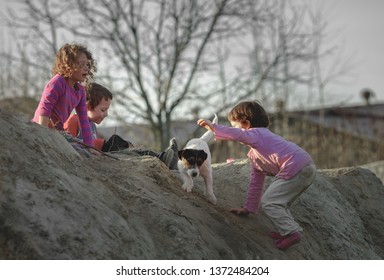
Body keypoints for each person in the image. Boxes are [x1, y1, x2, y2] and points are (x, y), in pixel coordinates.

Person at [197, 100, 316, 250]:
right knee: (280, 202)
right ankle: (286, 230)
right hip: (306, 166)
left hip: (294, 166)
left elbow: (239, 135)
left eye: (235, 126)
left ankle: (292, 232)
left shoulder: (256, 134)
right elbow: (256, 181)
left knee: (270, 202)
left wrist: (214, 128)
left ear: (246, 124)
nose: (235, 130)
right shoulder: (257, 153)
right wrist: (248, 208)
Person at [64, 82, 178, 169]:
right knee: (116, 142)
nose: (106, 114)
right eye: (103, 110)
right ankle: (162, 158)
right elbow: (68, 142)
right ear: (87, 107)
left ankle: (163, 158)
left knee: (124, 145)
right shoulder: (73, 121)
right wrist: (101, 144)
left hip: (99, 152)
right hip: (93, 156)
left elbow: (93, 141)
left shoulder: (91, 125)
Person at [32, 43, 97, 147]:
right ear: (68, 64)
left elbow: (84, 121)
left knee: (81, 151)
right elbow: (45, 109)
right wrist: (43, 135)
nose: (86, 68)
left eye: (87, 64)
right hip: (39, 129)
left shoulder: (80, 91)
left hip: (58, 133)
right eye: (81, 64)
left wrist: (90, 147)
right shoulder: (57, 82)